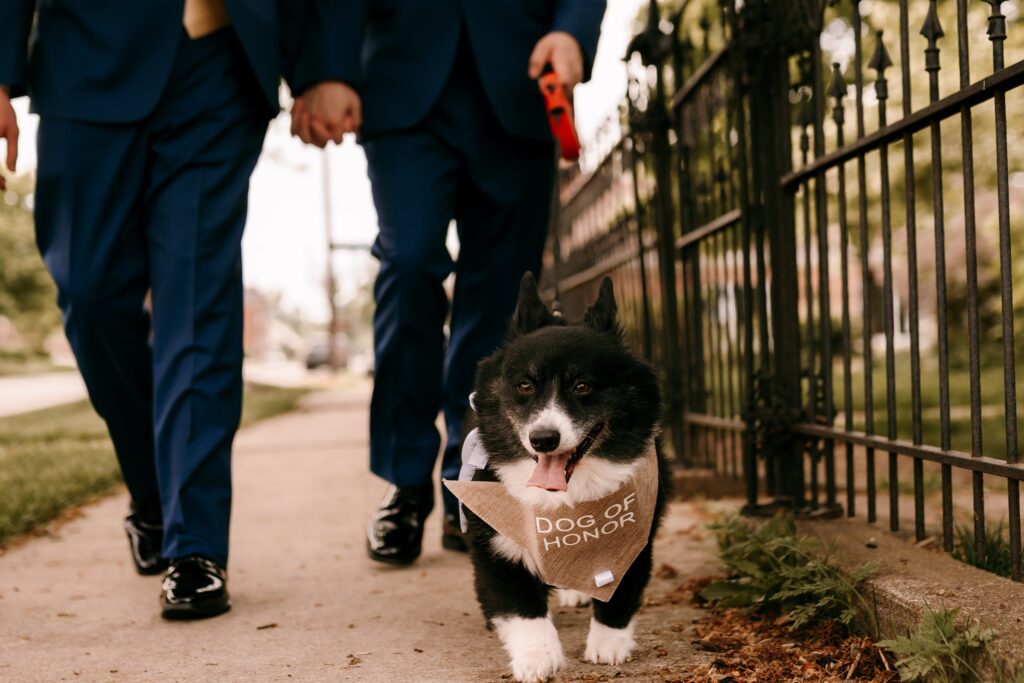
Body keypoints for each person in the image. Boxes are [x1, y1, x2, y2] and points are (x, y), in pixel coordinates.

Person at [0, 0, 353, 619]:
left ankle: (195, 547)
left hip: (221, 64)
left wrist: (324, 66)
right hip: (86, 57)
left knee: (198, 304)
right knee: (89, 291)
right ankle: (154, 490)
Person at [291, 0, 606, 565]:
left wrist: (573, 30)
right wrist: (327, 71)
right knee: (408, 264)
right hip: (400, 81)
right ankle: (405, 480)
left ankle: (474, 479)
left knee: (502, 303)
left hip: (521, 79)